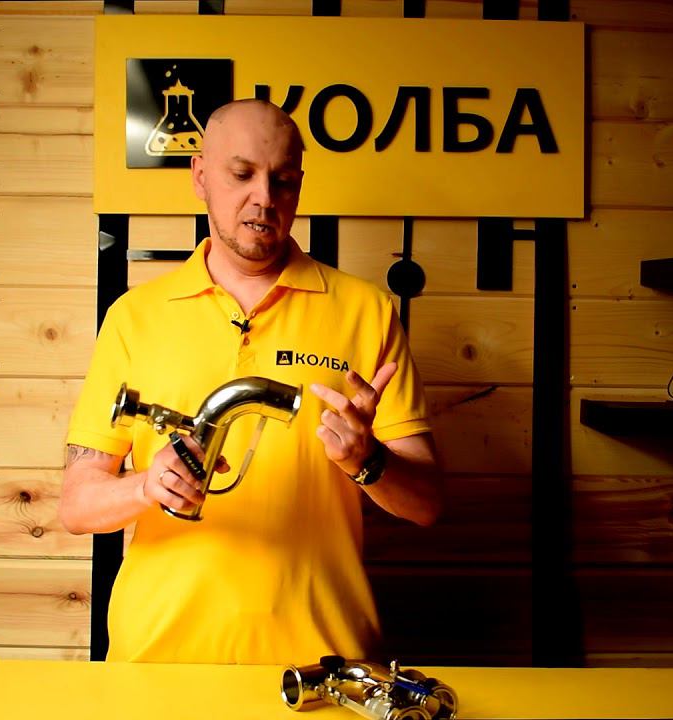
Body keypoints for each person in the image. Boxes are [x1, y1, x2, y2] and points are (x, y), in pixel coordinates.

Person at [59, 99, 443, 665]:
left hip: (323, 666)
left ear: (298, 188)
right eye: (241, 174)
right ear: (200, 175)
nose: (264, 197)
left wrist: (369, 461)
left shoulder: (368, 312)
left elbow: (427, 504)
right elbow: (76, 504)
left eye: (282, 181)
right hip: (156, 662)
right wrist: (145, 487)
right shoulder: (134, 317)